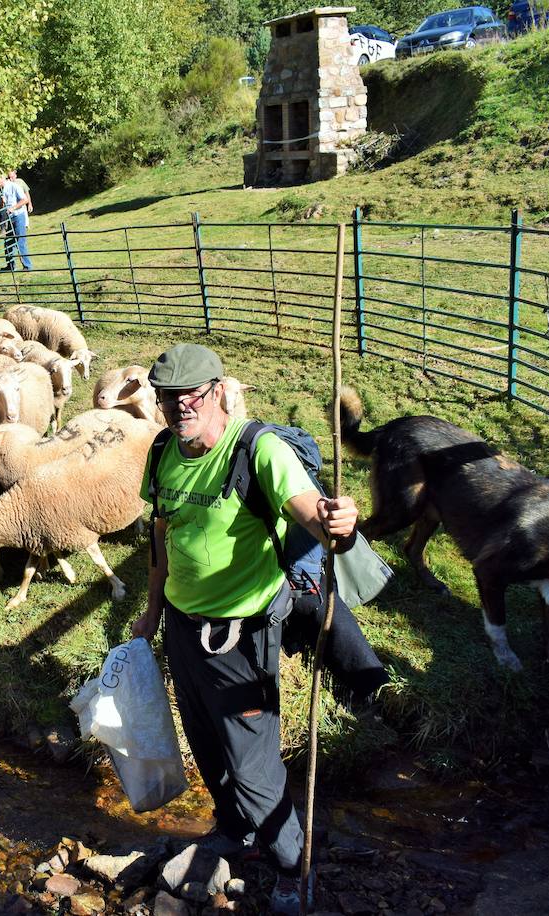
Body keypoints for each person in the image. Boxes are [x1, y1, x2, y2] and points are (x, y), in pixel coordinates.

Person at [131, 344, 373, 916]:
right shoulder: (164, 449)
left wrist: (337, 524)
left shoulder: (257, 449)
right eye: (167, 398)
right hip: (183, 627)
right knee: (206, 741)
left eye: (187, 396)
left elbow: (312, 513)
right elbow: (162, 539)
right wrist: (151, 611)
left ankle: (292, 865)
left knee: (254, 762)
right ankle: (233, 828)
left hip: (241, 634)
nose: (176, 408)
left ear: (217, 391)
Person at [0, 174, 31, 270]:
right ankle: (10, 265)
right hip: (10, 218)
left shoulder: (14, 186)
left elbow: (25, 200)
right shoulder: (3, 189)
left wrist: (13, 207)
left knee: (20, 241)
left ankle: (27, 265)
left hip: (18, 216)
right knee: (8, 242)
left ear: (2, 178)